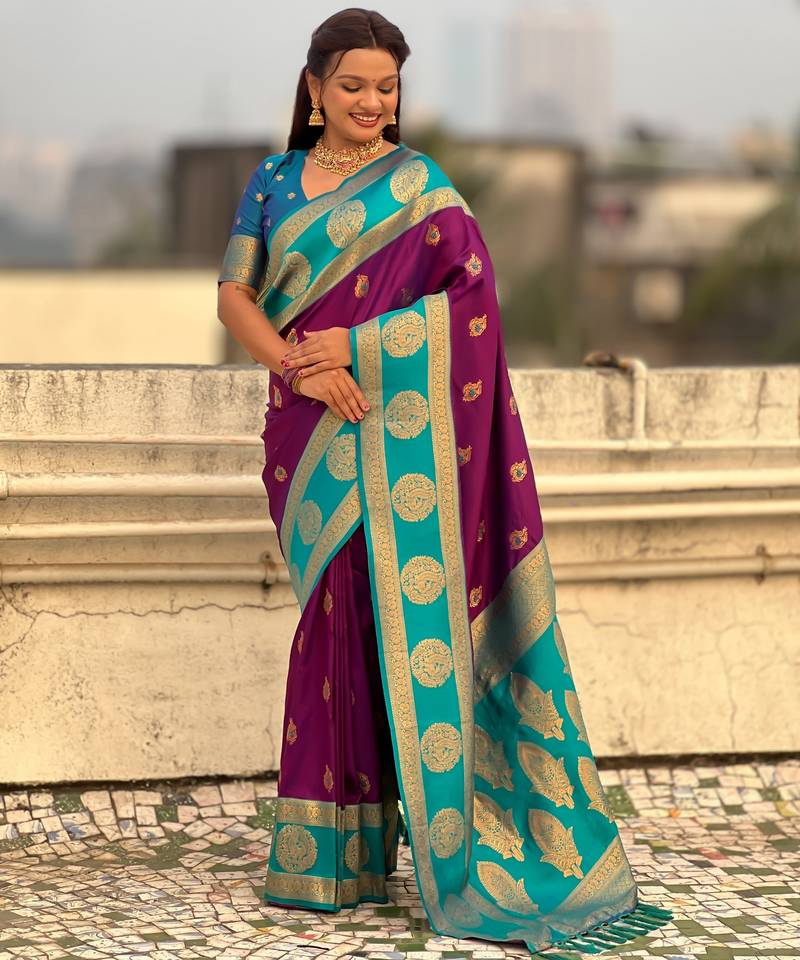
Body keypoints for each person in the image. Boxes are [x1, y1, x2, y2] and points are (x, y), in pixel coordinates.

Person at [216, 7, 673, 955]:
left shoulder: (421, 188)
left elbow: (473, 306)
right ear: (314, 89)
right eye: (352, 86)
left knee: (384, 622)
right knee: (330, 621)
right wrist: (302, 367)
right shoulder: (270, 181)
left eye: (385, 88)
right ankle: (328, 857)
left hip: (396, 429)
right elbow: (235, 298)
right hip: (306, 430)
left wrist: (358, 348)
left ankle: (431, 848)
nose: (371, 103)